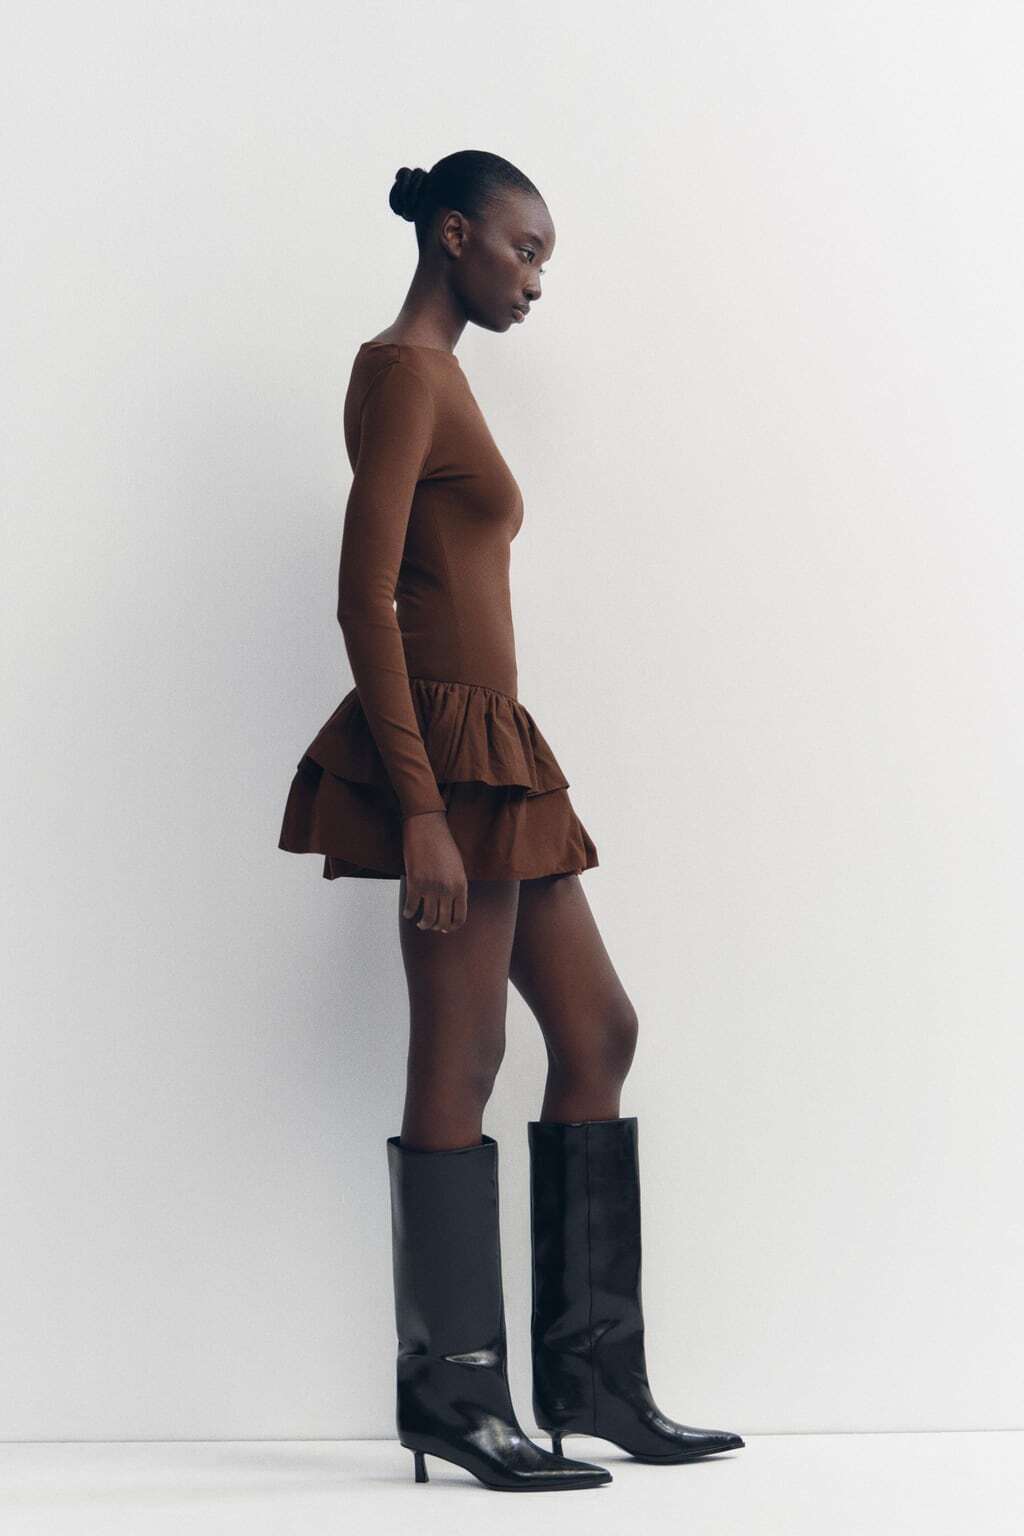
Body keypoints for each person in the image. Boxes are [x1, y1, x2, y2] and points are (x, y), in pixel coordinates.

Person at [279, 150, 744, 1492]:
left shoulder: (447, 377)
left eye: (545, 260)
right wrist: (420, 811)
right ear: (453, 233)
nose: (536, 280)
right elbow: (363, 595)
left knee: (598, 1032)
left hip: (498, 745)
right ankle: (457, 1401)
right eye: (524, 251)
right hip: (446, 757)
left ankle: (594, 1382)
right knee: (464, 1051)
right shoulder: (403, 373)